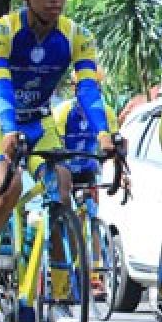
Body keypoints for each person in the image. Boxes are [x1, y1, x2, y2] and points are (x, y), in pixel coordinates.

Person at [0, 0, 114, 322]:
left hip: (39, 120)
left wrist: (103, 132)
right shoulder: (0, 32)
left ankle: (61, 299)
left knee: (61, 187)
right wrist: (9, 128)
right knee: (8, 186)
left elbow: (87, 90)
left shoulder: (75, 36)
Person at [53, 71, 124, 300]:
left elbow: (115, 146)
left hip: (88, 169)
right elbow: (53, 147)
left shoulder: (106, 113)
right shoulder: (63, 113)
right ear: (74, 90)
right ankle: (65, 263)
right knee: (70, 219)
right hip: (65, 167)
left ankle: (95, 277)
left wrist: (122, 174)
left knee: (92, 217)